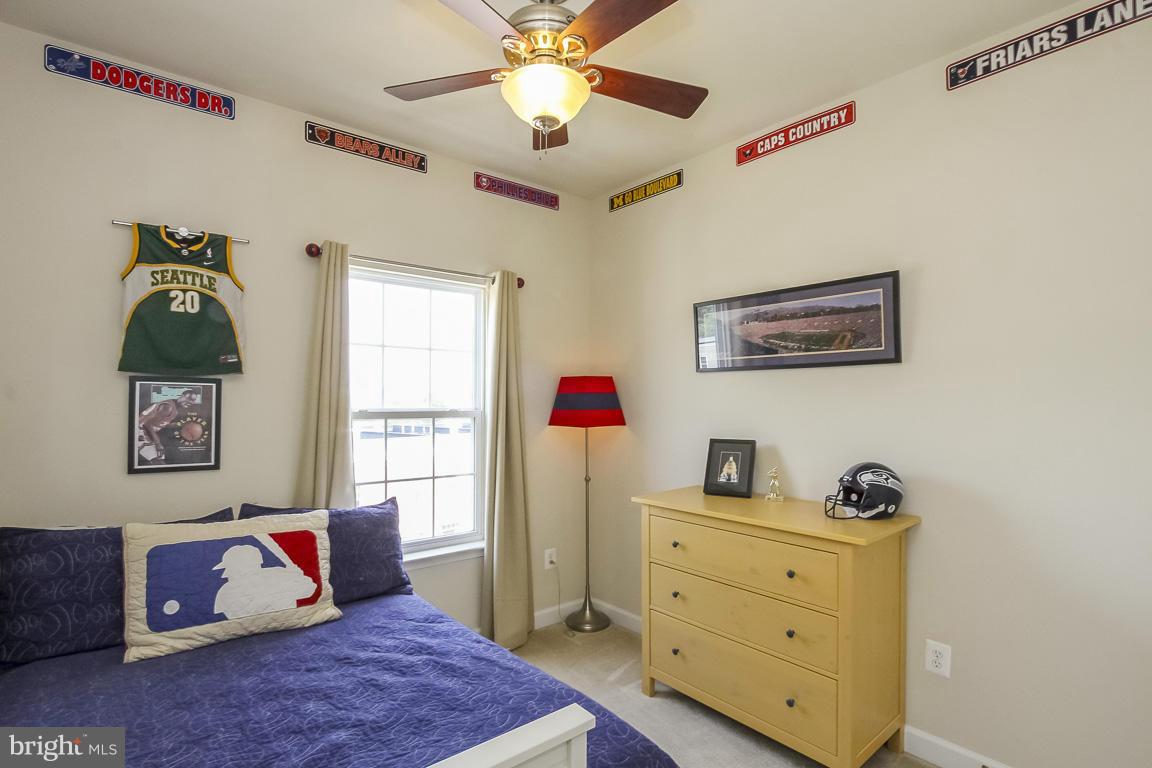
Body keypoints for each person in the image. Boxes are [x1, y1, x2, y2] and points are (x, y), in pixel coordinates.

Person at [212, 544, 317, 619]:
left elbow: (309, 589)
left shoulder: (280, 574)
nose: (227, 573)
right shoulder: (227, 591)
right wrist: (297, 577)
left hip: (288, 623)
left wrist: (298, 577)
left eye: (230, 567)